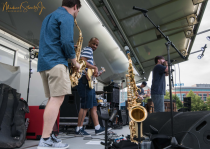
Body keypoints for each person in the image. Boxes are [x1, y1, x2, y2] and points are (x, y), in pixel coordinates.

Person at [37, 0, 81, 148]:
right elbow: (66, 41)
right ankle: (45, 140)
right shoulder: (67, 17)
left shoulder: (49, 17)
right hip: (56, 62)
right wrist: (75, 62)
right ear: (75, 6)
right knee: (56, 100)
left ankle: (48, 136)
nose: (77, 14)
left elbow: (51, 40)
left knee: (52, 100)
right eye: (78, 11)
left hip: (44, 63)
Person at [75, 37, 111, 137]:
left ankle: (97, 128)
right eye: (93, 43)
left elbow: (87, 67)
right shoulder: (88, 49)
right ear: (89, 42)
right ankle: (79, 129)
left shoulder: (89, 52)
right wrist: (94, 67)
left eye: (96, 45)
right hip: (84, 81)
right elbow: (82, 62)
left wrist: (95, 72)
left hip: (88, 82)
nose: (94, 46)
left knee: (94, 106)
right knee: (85, 106)